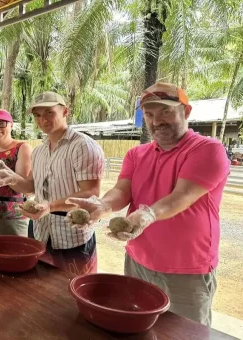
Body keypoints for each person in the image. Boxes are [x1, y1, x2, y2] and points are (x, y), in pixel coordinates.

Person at [68, 82, 230, 326]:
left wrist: (148, 215)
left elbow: (182, 195)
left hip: (187, 269)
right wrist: (103, 205)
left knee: (184, 332)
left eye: (165, 112)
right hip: (137, 260)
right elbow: (122, 190)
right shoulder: (137, 154)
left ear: (186, 111)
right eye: (150, 114)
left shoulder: (208, 150)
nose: (157, 121)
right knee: (139, 326)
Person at [0, 92, 104, 275]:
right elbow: (31, 186)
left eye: (49, 112)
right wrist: (9, 178)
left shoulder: (83, 146)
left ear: (65, 111)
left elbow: (91, 193)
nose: (43, 120)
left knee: (71, 291)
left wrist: (50, 206)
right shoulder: (39, 151)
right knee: (42, 287)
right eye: (37, 115)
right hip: (40, 231)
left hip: (71, 234)